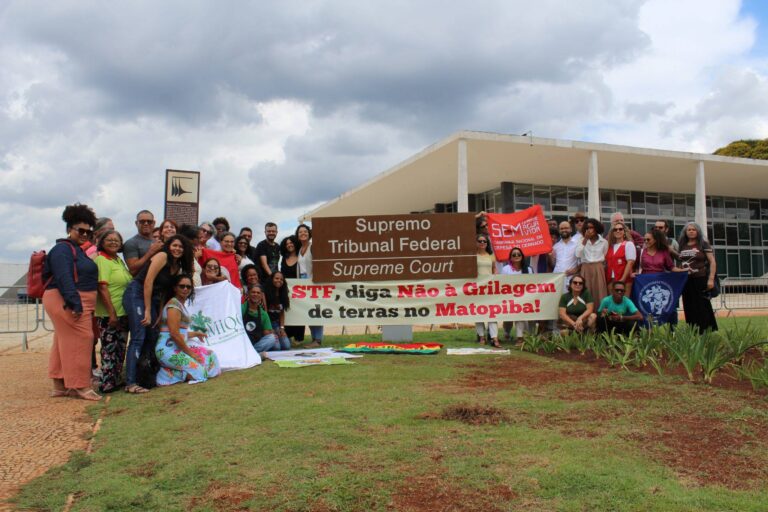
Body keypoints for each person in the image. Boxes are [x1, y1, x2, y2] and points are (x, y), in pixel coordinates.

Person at [122, 235, 195, 393]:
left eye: (181, 247)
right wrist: (148, 310)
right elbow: (148, 281)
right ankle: (130, 382)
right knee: (139, 336)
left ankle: (144, 378)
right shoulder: (162, 256)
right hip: (136, 293)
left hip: (153, 299)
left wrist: (160, 314)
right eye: (174, 245)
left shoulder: (177, 267)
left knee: (153, 336)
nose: (177, 249)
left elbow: (164, 292)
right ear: (168, 246)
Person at [43, 203, 101, 401]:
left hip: (71, 298)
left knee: (62, 340)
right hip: (69, 300)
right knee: (83, 338)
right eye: (80, 230)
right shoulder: (63, 249)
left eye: (88, 231)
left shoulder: (75, 250)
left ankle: (60, 384)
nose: (84, 234)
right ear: (69, 229)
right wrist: (74, 303)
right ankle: (80, 385)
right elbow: (64, 276)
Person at [155, 274, 220, 386]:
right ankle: (164, 374)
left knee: (211, 356)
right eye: (182, 286)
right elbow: (174, 334)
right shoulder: (173, 305)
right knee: (200, 373)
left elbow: (180, 333)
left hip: (178, 348)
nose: (185, 289)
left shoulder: (180, 304)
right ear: (175, 288)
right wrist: (191, 354)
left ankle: (178, 370)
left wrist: (195, 333)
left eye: (188, 287)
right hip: (167, 350)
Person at [94, 230, 132, 393]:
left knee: (120, 348)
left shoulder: (118, 260)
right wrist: (112, 313)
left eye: (116, 240)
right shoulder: (102, 260)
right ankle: (107, 383)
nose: (113, 242)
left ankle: (115, 379)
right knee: (109, 349)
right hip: (109, 315)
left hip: (123, 313)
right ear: (102, 242)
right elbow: (102, 288)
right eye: (109, 240)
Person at [678, 222, 718, 332]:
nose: (691, 231)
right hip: (686, 280)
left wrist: (711, 279)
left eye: (693, 229)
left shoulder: (703, 244)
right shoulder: (682, 245)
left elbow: (712, 262)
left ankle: (706, 330)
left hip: (700, 278)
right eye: (689, 230)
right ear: (685, 232)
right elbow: (680, 261)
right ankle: (692, 330)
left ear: (698, 231)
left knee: (702, 305)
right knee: (688, 305)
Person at [296, 223, 323, 347]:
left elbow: (319, 265)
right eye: (300, 232)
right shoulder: (299, 250)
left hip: (312, 282)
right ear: (297, 235)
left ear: (309, 234)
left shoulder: (313, 247)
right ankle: (314, 339)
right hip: (302, 282)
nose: (303, 233)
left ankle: (318, 339)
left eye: (305, 231)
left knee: (316, 310)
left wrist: (315, 280)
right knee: (309, 311)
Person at [499, 247, 531, 343]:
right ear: (510, 257)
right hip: (509, 298)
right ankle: (507, 333)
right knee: (508, 319)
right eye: (514, 254)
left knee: (520, 317)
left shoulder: (528, 269)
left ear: (522, 256)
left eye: (518, 254)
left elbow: (533, 284)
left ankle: (520, 338)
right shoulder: (505, 269)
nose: (516, 256)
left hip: (523, 299)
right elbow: (501, 284)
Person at [475, 235, 500, 347]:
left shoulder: (491, 256)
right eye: (480, 241)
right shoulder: (473, 256)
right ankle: (481, 336)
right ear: (476, 243)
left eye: (484, 241)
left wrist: (496, 275)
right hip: (477, 288)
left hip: (490, 288)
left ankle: (494, 338)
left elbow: (494, 268)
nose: (482, 243)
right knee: (478, 312)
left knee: (492, 312)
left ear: (487, 243)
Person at [574, 218, 608, 302]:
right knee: (585, 291)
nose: (589, 230)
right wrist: (585, 240)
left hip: (598, 268)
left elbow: (605, 255)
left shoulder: (604, 242)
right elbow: (577, 254)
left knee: (599, 291)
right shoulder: (581, 240)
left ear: (596, 228)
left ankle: (599, 309)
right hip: (585, 268)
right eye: (587, 228)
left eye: (591, 227)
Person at [279, 235, 305, 343]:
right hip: (286, 291)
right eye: (287, 244)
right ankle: (288, 335)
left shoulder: (300, 257)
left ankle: (299, 338)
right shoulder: (284, 258)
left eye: (291, 243)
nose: (289, 245)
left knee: (299, 313)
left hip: (299, 291)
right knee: (288, 312)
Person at [123, 210, 164, 276]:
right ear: (136, 223)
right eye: (142, 221)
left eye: (149, 221)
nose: (146, 224)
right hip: (141, 281)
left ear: (154, 223)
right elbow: (133, 270)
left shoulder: (158, 242)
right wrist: (150, 252)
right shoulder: (131, 243)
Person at [242, 284, 279, 355]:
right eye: (253, 292)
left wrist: (273, 334)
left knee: (272, 338)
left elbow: (266, 333)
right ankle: (254, 354)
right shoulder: (241, 308)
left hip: (255, 344)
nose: (255, 294)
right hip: (241, 341)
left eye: (258, 293)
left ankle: (251, 354)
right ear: (248, 294)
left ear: (261, 296)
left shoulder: (264, 314)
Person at [605, 221, 636, 298]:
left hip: (624, 279)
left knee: (623, 302)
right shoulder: (610, 246)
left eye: (620, 229)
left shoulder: (628, 244)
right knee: (612, 302)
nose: (618, 231)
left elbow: (630, 262)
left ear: (624, 231)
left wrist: (623, 279)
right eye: (615, 229)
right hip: (610, 279)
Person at [263, 272, 292, 350]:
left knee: (286, 346)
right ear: (272, 279)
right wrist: (269, 328)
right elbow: (265, 312)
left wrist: (282, 328)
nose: (279, 280)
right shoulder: (265, 293)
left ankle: (283, 338)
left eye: (281, 279)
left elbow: (282, 313)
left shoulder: (283, 294)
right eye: (276, 278)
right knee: (277, 348)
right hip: (267, 324)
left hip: (277, 324)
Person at [550, 221, 580, 287]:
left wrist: (576, 269)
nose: (564, 230)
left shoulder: (578, 244)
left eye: (566, 228)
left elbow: (582, 262)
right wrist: (550, 257)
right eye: (562, 229)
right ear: (559, 230)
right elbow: (553, 264)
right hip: (557, 280)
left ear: (571, 229)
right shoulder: (555, 247)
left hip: (571, 280)